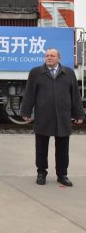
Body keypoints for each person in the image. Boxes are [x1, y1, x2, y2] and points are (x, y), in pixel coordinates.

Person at [20, 48, 84, 187]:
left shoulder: (68, 73)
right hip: (43, 116)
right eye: (47, 55)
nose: (49, 57)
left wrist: (79, 114)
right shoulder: (36, 72)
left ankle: (62, 175)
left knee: (62, 148)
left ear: (58, 58)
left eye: (52, 56)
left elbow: (75, 95)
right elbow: (29, 93)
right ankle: (41, 173)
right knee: (41, 147)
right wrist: (25, 111)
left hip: (63, 117)